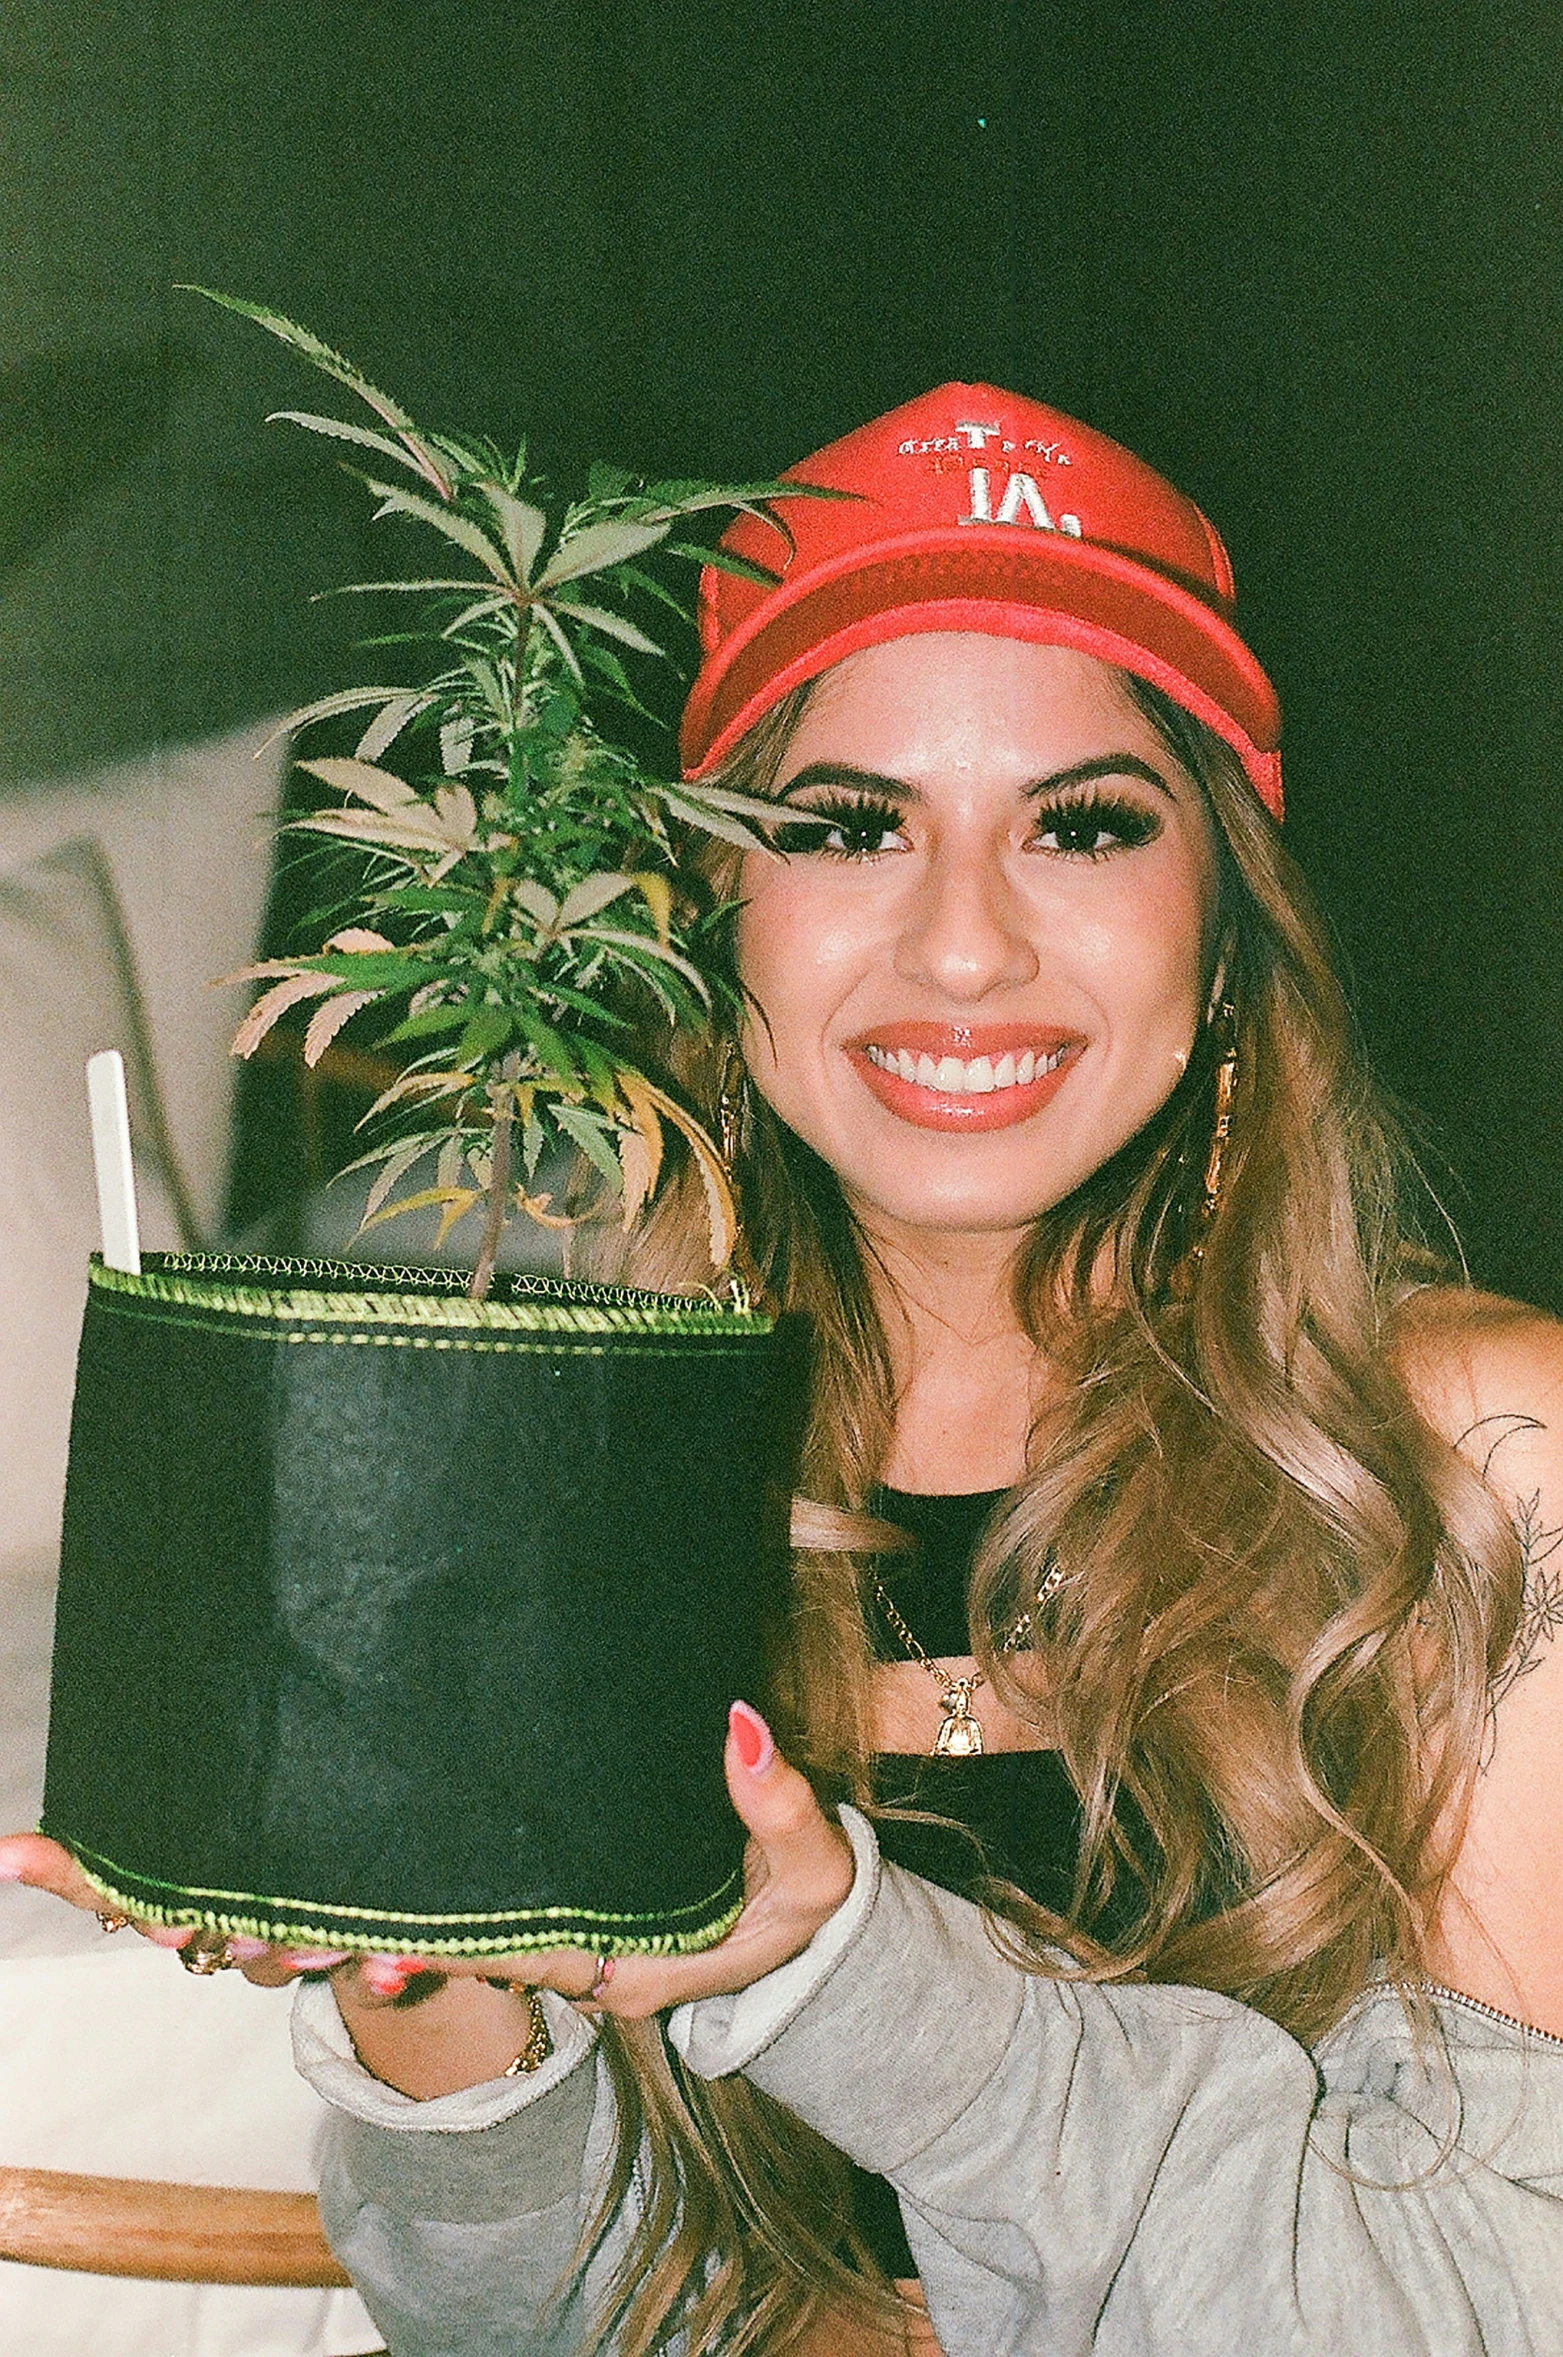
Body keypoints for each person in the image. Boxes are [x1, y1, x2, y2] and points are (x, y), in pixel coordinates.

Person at [6, 382, 1562, 2354]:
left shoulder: (1487, 1461)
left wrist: (842, 1971)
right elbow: (513, 2311)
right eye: (847, 825)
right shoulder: (581, 1448)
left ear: (1223, 916)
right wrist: (432, 1983)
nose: (965, 943)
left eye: (1081, 822)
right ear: (715, 909)